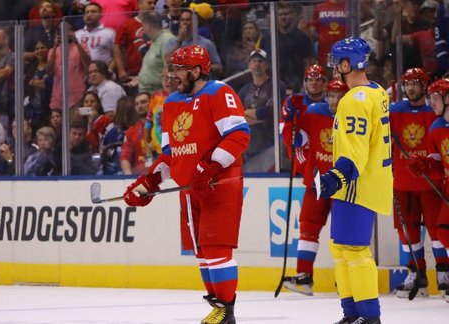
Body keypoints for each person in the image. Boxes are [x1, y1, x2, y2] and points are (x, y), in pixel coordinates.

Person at [123, 45, 250, 323]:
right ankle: (217, 307)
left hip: (220, 184)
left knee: (217, 248)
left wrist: (211, 165)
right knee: (202, 251)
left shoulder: (220, 93)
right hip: (192, 189)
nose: (172, 74)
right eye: (172, 68)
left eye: (179, 69)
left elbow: (239, 135)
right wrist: (147, 184)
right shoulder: (170, 103)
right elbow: (170, 155)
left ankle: (227, 311)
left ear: (196, 70)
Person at [320, 37, 392, 324]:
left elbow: (356, 148)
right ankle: (351, 314)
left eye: (338, 61)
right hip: (369, 180)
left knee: (353, 249)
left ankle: (368, 316)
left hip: (356, 184)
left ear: (347, 64)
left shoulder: (353, 100)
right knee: (340, 247)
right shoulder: (377, 92)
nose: (335, 67)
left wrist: (337, 175)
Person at [281, 79, 349, 296]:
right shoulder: (313, 112)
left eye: (340, 96)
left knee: (344, 233)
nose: (335, 100)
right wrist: (290, 118)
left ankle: (346, 279)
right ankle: (304, 276)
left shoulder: (353, 116)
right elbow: (298, 140)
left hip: (343, 183)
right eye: (331, 95)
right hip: (318, 181)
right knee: (308, 227)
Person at [390, 67, 449, 298]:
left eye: (415, 82)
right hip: (404, 182)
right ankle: (416, 274)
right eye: (407, 82)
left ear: (425, 86)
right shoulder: (395, 111)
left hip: (431, 185)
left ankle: (444, 273)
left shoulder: (435, 118)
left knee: (439, 231)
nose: (411, 87)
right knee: (407, 232)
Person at [407, 77, 449, 302]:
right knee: (444, 231)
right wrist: (424, 165)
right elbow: (438, 167)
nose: (431, 102)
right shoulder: (436, 128)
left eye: (435, 98)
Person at [280, 64, 328, 174]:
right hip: (301, 150)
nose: (313, 83)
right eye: (310, 80)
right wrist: (289, 112)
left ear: (324, 83)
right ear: (305, 82)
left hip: (324, 148)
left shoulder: (331, 103)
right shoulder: (294, 102)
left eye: (318, 80)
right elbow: (284, 132)